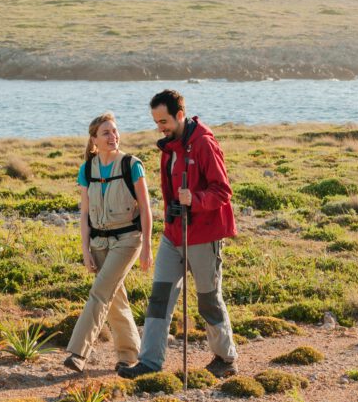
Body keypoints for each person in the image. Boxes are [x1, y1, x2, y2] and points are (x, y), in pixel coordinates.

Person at [119, 90, 238, 379]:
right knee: (159, 297)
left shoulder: (205, 145)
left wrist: (193, 200)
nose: (160, 127)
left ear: (180, 115)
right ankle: (150, 362)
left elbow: (222, 191)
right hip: (175, 234)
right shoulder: (170, 147)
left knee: (209, 299)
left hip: (204, 235)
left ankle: (226, 358)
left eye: (164, 121)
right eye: (156, 122)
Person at [63, 112, 153, 372]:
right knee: (115, 299)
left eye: (115, 131)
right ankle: (130, 355)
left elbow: (146, 209)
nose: (113, 136)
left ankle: (78, 352)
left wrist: (147, 246)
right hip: (99, 243)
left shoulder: (131, 164)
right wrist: (85, 250)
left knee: (100, 293)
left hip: (127, 240)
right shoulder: (87, 169)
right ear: (94, 139)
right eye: (106, 133)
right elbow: (83, 214)